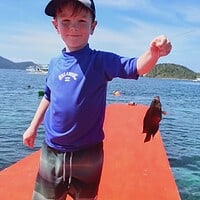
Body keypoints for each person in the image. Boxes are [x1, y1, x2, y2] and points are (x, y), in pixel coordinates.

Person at [23, 0, 172, 199]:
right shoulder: (53, 63)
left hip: (88, 153)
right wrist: (33, 126)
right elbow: (48, 96)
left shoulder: (100, 60)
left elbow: (135, 66)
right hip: (52, 151)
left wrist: (153, 54)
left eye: (82, 21)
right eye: (65, 21)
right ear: (55, 25)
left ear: (93, 26)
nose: (73, 27)